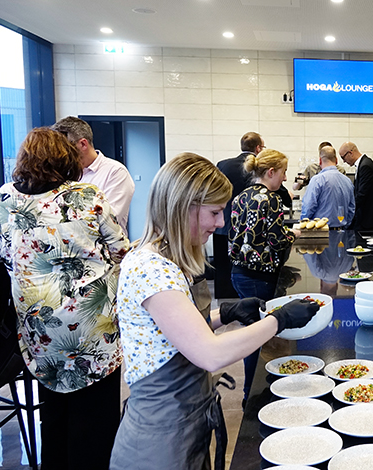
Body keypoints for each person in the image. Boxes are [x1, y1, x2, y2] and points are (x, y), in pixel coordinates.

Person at [110, 153, 318, 470]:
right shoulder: (151, 270)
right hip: (159, 439)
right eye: (215, 212)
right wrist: (279, 320)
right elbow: (209, 354)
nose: (221, 223)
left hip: (184, 423)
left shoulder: (164, 260)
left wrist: (227, 314)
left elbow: (174, 335)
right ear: (183, 208)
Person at [0, 128, 130, 469]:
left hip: (40, 332)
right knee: (97, 421)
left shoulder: (5, 200)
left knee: (54, 417)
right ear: (66, 160)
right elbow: (121, 249)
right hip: (95, 331)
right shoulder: (86, 195)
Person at [229, 148, 301, 403]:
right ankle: (254, 393)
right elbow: (276, 238)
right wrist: (295, 234)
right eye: (283, 173)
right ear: (271, 172)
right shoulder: (271, 199)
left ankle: (251, 391)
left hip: (239, 272)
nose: (284, 178)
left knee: (252, 328)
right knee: (258, 335)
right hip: (259, 274)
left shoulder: (241, 196)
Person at [51, 116, 135, 236]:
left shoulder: (115, 172)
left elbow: (109, 221)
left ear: (83, 144)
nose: (62, 155)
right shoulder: (64, 173)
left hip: (106, 250)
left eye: (65, 149)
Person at [213, 132, 265, 298]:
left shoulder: (223, 164)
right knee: (246, 267)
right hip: (249, 227)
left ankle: (224, 297)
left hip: (223, 224)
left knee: (222, 266)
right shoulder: (257, 166)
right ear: (258, 148)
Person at [300, 145, 355, 227]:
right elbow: (351, 209)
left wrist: (303, 223)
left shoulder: (317, 180)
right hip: (342, 232)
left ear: (320, 161)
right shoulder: (347, 181)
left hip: (321, 233)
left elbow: (308, 206)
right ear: (336, 160)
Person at [339, 141, 373, 231]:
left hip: (370, 221)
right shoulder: (364, 164)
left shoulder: (366, 166)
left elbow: (362, 195)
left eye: (343, 157)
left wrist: (347, 211)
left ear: (350, 153)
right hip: (367, 219)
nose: (344, 161)